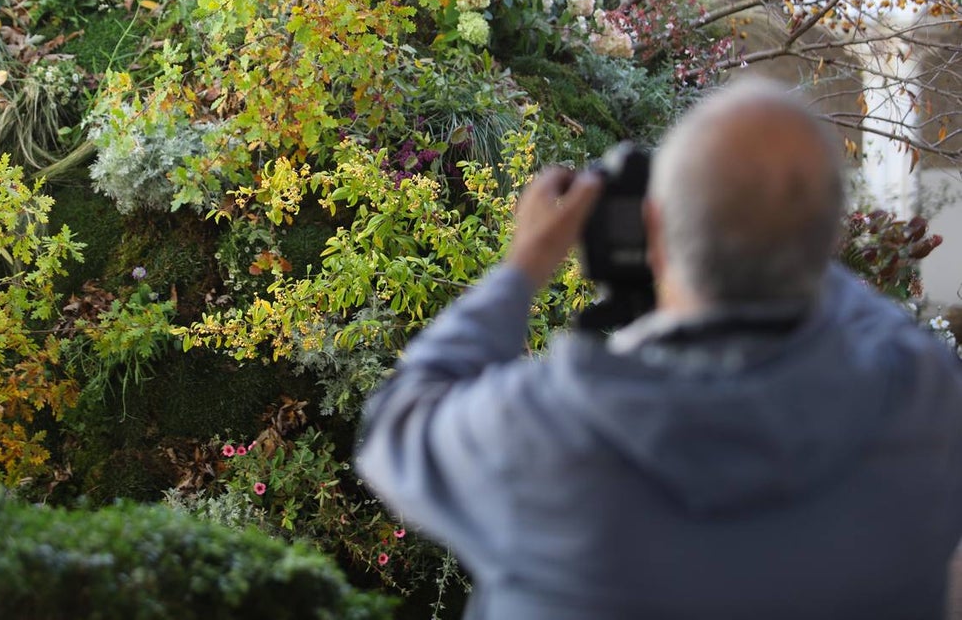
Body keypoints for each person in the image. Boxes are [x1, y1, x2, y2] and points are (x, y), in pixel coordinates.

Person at [356, 79, 962, 619]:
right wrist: (776, 227)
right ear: (827, 237)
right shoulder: (921, 401)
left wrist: (523, 268)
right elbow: (872, 314)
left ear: (655, 230)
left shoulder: (544, 434)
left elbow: (395, 426)